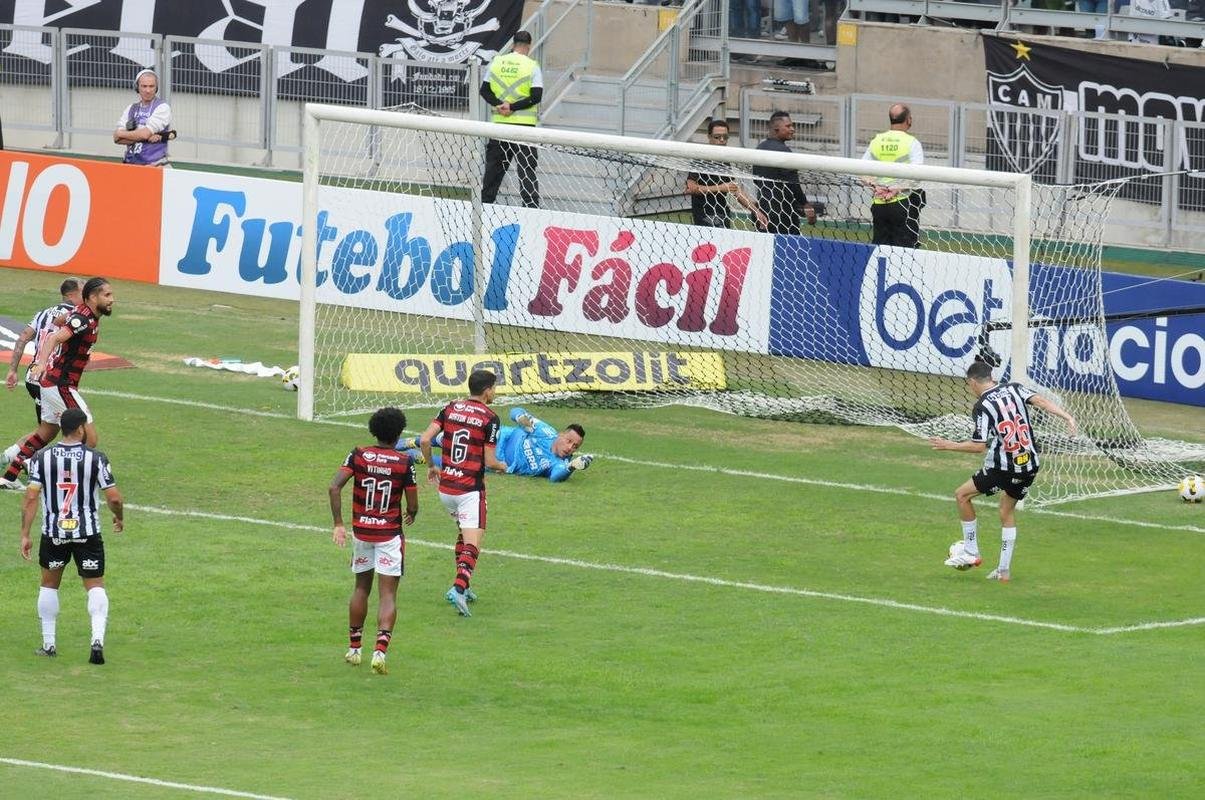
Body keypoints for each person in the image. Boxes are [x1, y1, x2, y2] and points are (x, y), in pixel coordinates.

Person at [929, 361, 1078, 582]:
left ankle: (971, 552)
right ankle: (1003, 572)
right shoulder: (1014, 388)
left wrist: (948, 444)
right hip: (1030, 464)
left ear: (972, 382)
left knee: (962, 495)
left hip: (1004, 467)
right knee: (1006, 511)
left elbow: (978, 446)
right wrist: (1067, 416)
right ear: (991, 376)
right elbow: (1041, 401)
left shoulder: (982, 406)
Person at [20, 408, 124, 664]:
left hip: (54, 533)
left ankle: (49, 644)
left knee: (49, 584)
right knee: (95, 586)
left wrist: (25, 534)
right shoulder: (96, 458)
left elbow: (32, 496)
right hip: (87, 533)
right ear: (80, 429)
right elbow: (114, 497)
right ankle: (97, 640)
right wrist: (119, 516)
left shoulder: (41, 458)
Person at [0, 278, 115, 491]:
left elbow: (60, 321)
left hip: (53, 383)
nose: (112, 300)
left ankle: (9, 476)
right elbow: (54, 337)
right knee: (89, 438)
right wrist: (42, 362)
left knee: (46, 432)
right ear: (92, 297)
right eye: (107, 295)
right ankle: (60, 476)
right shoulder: (83, 319)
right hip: (61, 384)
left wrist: (67, 322)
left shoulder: (82, 314)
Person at [329, 407, 419, 676]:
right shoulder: (404, 461)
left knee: (360, 588)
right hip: (389, 534)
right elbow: (412, 503)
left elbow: (334, 487)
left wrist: (338, 524)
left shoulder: (358, 454)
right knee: (388, 594)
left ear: (373, 430)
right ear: (399, 433)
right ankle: (379, 652)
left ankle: (354, 649)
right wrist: (411, 513)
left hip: (362, 532)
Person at [418, 370, 508, 618]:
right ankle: (458, 589)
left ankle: (464, 586)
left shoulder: (450, 408)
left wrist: (431, 466)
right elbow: (490, 460)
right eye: (495, 388)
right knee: (473, 542)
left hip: (446, 490)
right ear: (488, 390)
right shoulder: (491, 418)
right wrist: (502, 466)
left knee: (463, 533)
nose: (495, 392)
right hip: (470, 491)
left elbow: (425, 440)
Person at [401, 406, 593, 483]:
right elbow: (514, 411)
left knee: (457, 462)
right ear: (561, 435)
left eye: (575, 447)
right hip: (499, 438)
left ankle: (413, 456)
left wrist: (571, 467)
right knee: (449, 438)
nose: (570, 448)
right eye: (569, 441)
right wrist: (521, 418)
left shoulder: (560, 463)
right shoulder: (544, 431)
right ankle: (409, 442)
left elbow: (555, 478)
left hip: (497, 462)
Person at [4, 277, 82, 437]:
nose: (87, 296)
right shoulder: (75, 316)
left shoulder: (43, 313)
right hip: (51, 379)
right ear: (72, 295)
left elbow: (23, 337)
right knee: (77, 428)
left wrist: (13, 370)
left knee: (47, 430)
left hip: (31, 378)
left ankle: (13, 456)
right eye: (83, 291)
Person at [480, 30, 543, 208]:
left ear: (513, 44)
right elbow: (536, 96)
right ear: (528, 46)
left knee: (493, 172)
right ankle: (531, 209)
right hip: (524, 128)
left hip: (500, 127)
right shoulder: (532, 66)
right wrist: (513, 107)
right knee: (526, 171)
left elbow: (484, 90)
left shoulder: (497, 62)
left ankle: (484, 207)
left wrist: (500, 105)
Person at [861, 103, 926, 248]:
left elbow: (862, 170)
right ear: (909, 119)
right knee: (906, 252)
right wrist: (897, 188)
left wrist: (876, 186)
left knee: (880, 249)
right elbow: (917, 173)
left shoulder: (877, 140)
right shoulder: (912, 142)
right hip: (903, 202)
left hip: (879, 204)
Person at [685, 119, 769, 231]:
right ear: (709, 137)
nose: (722, 140)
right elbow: (690, 188)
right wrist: (721, 188)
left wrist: (756, 211)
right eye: (717, 137)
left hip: (723, 214)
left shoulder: (724, 160)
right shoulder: (701, 158)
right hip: (704, 215)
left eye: (725, 137)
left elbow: (735, 189)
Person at [753, 111, 817, 234]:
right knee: (789, 249)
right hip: (782, 214)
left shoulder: (760, 148)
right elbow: (793, 184)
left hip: (761, 210)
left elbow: (755, 179)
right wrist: (806, 205)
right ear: (776, 128)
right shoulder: (784, 151)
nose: (792, 129)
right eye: (788, 126)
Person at [113, 69, 173, 167]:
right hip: (130, 163)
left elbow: (145, 134)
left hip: (155, 165)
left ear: (156, 88)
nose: (148, 90)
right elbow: (116, 138)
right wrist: (144, 136)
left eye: (151, 86)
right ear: (137, 87)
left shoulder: (163, 107)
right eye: (144, 86)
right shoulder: (131, 108)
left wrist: (122, 133)